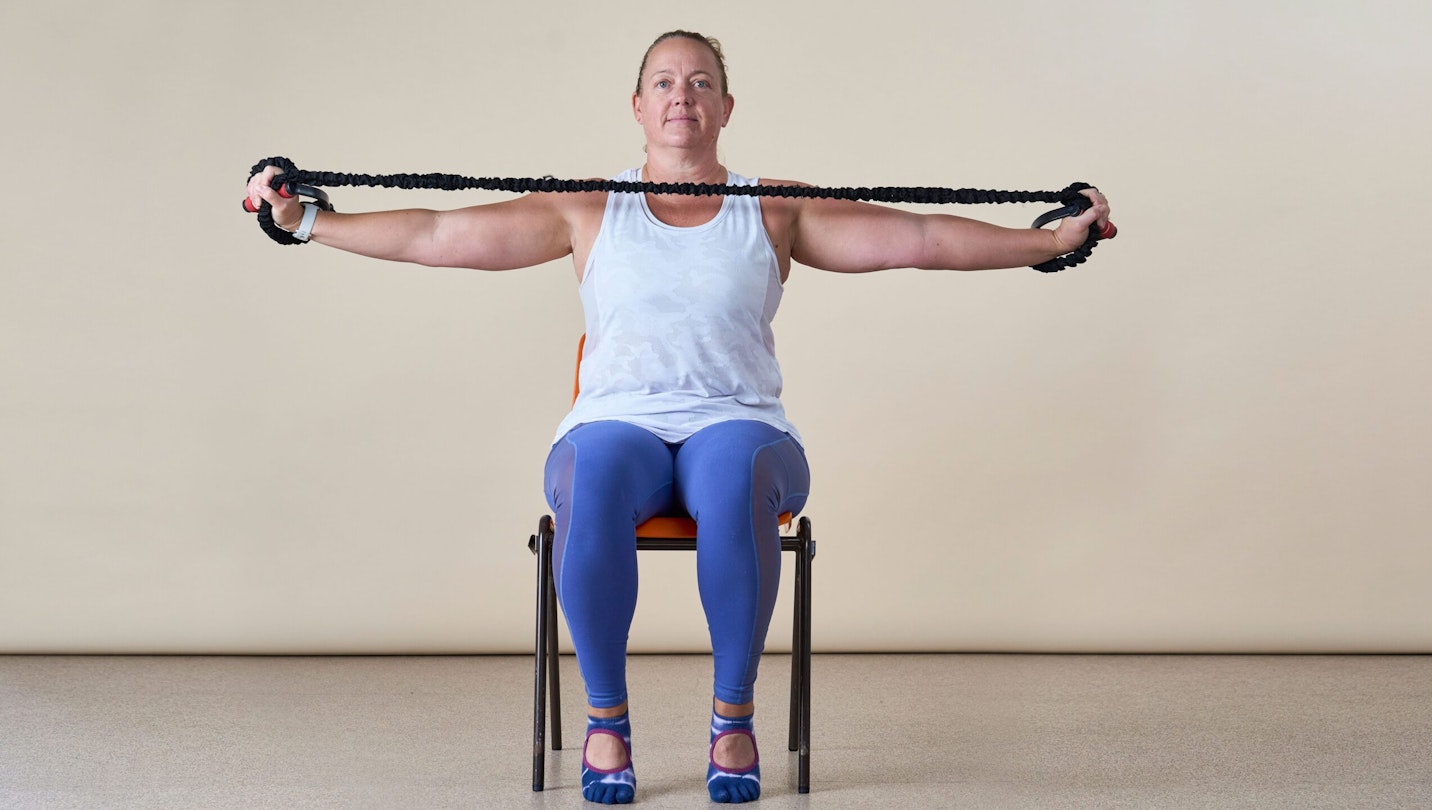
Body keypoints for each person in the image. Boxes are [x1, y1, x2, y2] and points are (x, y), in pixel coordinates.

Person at [245, 30, 1111, 806]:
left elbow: (919, 240)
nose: (681, 96)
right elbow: (436, 231)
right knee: (593, 473)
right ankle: (607, 722)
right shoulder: (587, 205)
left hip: (740, 425)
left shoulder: (772, 207)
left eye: (699, 82)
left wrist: (1049, 243)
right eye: (663, 82)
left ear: (726, 107)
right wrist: (307, 219)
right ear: (637, 105)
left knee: (733, 476)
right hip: (617, 421)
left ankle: (732, 719)